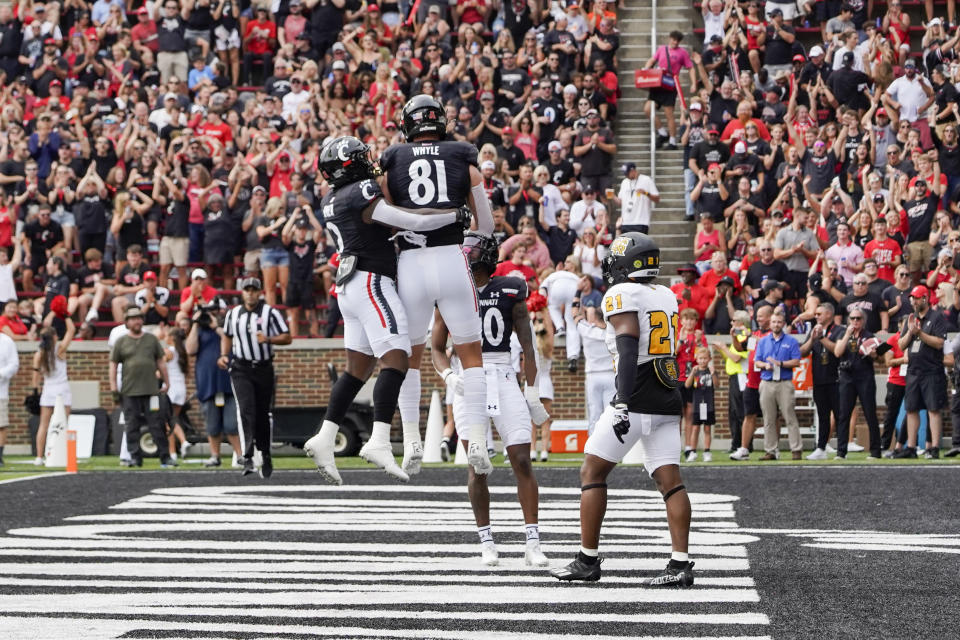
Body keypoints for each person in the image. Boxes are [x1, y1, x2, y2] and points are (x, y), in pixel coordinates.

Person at [303, 136, 466, 484]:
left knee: (356, 370)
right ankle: (378, 440)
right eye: (362, 157)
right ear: (350, 164)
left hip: (347, 286)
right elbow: (413, 221)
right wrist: (455, 214)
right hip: (370, 281)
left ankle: (325, 437)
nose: (369, 161)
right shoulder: (358, 192)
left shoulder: (330, 198)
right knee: (397, 357)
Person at [550, 232, 694, 588]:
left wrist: (622, 400)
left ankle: (587, 559)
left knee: (592, 471)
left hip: (637, 394)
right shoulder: (667, 294)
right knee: (670, 483)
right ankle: (680, 564)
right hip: (666, 394)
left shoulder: (621, 293)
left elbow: (628, 349)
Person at [379, 95, 496, 478]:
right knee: (472, 355)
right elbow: (487, 224)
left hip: (411, 263)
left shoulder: (393, 158)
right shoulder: (462, 154)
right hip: (451, 258)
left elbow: (386, 219)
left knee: (410, 357)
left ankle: (412, 439)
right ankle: (476, 438)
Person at [431, 232, 549, 567]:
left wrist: (531, 389)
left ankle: (532, 541)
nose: (467, 256)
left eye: (471, 251)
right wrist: (450, 377)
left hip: (503, 373)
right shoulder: (451, 293)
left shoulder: (510, 288)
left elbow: (527, 346)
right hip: (468, 378)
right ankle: (486, 541)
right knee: (477, 465)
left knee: (522, 459)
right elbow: (437, 348)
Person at [221, 276, 291, 478]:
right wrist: (224, 355)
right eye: (247, 289)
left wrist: (268, 339)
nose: (250, 293)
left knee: (262, 414)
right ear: (242, 292)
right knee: (245, 408)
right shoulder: (233, 314)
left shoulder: (270, 313)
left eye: (253, 289)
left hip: (263, 368)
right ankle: (247, 455)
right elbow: (227, 335)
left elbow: (287, 337)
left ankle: (265, 453)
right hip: (240, 368)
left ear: (259, 292)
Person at [110, 307, 174, 468]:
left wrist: (167, 381)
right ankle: (135, 457)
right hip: (129, 391)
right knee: (132, 425)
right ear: (127, 322)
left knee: (157, 424)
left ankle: (165, 457)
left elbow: (160, 361)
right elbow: (113, 365)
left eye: (139, 318)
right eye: (133, 318)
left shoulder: (151, 340)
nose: (137, 321)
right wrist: (113, 387)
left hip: (151, 390)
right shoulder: (121, 341)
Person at [896, 285, 949, 458]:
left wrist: (920, 333)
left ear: (925, 298)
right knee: (911, 409)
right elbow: (901, 345)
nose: (914, 301)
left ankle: (933, 447)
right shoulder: (911, 319)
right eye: (912, 298)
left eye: (917, 298)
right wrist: (911, 332)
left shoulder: (936, 317)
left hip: (931, 370)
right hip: (913, 371)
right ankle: (911, 447)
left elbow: (939, 342)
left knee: (933, 409)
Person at [186, 302, 241, 468]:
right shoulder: (200, 331)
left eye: (214, 311)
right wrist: (195, 324)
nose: (211, 314)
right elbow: (190, 349)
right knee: (212, 424)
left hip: (228, 383)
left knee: (231, 424)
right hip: (208, 384)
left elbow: (234, 342)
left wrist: (216, 326)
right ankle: (215, 456)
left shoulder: (227, 330)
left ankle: (240, 455)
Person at [833, 310, 884, 459]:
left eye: (858, 318)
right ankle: (841, 452)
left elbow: (882, 358)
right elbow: (837, 352)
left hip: (864, 376)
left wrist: (874, 355)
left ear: (863, 320)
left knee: (870, 413)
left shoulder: (870, 336)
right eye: (853, 318)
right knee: (843, 414)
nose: (855, 321)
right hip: (846, 377)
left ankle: (875, 451)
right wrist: (848, 335)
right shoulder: (842, 334)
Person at [756, 311, 803, 460]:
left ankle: (796, 449)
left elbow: (796, 361)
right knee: (768, 419)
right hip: (767, 382)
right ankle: (770, 450)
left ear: (783, 324)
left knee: (790, 416)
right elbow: (757, 361)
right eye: (774, 322)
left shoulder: (791, 341)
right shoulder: (763, 341)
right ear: (770, 324)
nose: (776, 324)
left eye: (779, 322)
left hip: (784, 382)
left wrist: (780, 364)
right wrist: (765, 365)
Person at [800, 302, 844, 460]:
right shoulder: (814, 331)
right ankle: (821, 447)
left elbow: (837, 350)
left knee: (840, 415)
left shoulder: (840, 330)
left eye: (819, 314)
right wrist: (812, 339)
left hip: (837, 379)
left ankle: (841, 449)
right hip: (819, 379)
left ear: (829, 315)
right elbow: (802, 353)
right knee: (822, 415)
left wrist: (822, 338)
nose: (816, 316)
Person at [31, 311, 75, 466]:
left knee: (44, 424)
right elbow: (71, 330)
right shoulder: (60, 349)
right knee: (64, 423)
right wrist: (65, 314)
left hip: (48, 391)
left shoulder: (39, 354)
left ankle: (39, 456)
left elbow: (35, 376)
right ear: (55, 337)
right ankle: (63, 453)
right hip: (62, 390)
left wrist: (35, 391)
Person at [575, 305, 615, 435]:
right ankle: (609, 448)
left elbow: (575, 316)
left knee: (594, 413)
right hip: (610, 375)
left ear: (595, 317)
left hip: (593, 376)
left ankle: (592, 446)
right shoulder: (613, 332)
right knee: (610, 413)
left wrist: (577, 297)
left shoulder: (587, 329)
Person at [685, 346, 716, 462]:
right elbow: (687, 385)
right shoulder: (695, 370)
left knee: (707, 429)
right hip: (697, 404)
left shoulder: (711, 370)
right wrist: (692, 373)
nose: (703, 361)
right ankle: (693, 452)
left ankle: (707, 451)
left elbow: (716, 385)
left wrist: (713, 373)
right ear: (696, 359)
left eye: (705, 358)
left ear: (709, 359)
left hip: (709, 404)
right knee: (695, 428)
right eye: (700, 358)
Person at [613, 162, 659, 234]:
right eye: (625, 174)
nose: (626, 176)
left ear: (633, 171)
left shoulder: (646, 180)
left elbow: (657, 199)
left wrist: (646, 193)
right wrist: (613, 196)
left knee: (640, 244)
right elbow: (621, 202)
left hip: (641, 221)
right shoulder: (624, 182)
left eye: (628, 174)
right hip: (626, 221)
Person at [0, 329, 17, 466]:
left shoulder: (6, 341)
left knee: (1, 424)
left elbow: (13, 364)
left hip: (1, 391)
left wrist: (1, 374)